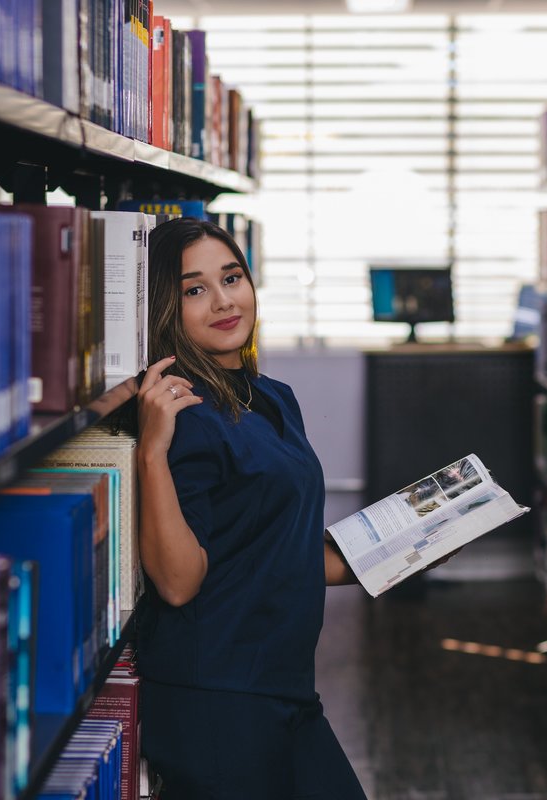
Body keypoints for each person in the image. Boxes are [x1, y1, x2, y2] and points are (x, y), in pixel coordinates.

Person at [133, 217, 368, 799]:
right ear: (166, 306)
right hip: (217, 699)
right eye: (194, 289)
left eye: (231, 277)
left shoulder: (272, 398)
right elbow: (180, 582)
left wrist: (415, 549)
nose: (222, 301)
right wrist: (152, 454)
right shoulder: (182, 416)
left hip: (282, 685)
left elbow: (278, 555)